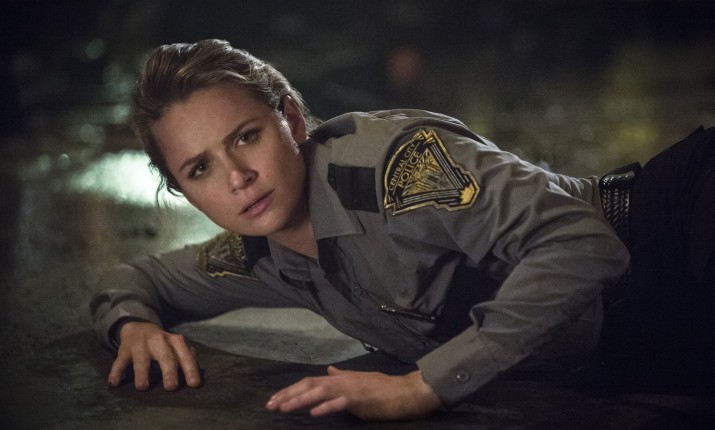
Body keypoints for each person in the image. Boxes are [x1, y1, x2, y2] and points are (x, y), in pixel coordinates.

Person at [90, 39, 714, 420]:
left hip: (675, 225)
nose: (237, 178)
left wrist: (424, 386)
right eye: (200, 168)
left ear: (291, 122)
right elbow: (139, 278)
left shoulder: (395, 168)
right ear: (183, 190)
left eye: (246, 137)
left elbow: (583, 243)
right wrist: (133, 325)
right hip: (650, 343)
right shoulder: (259, 253)